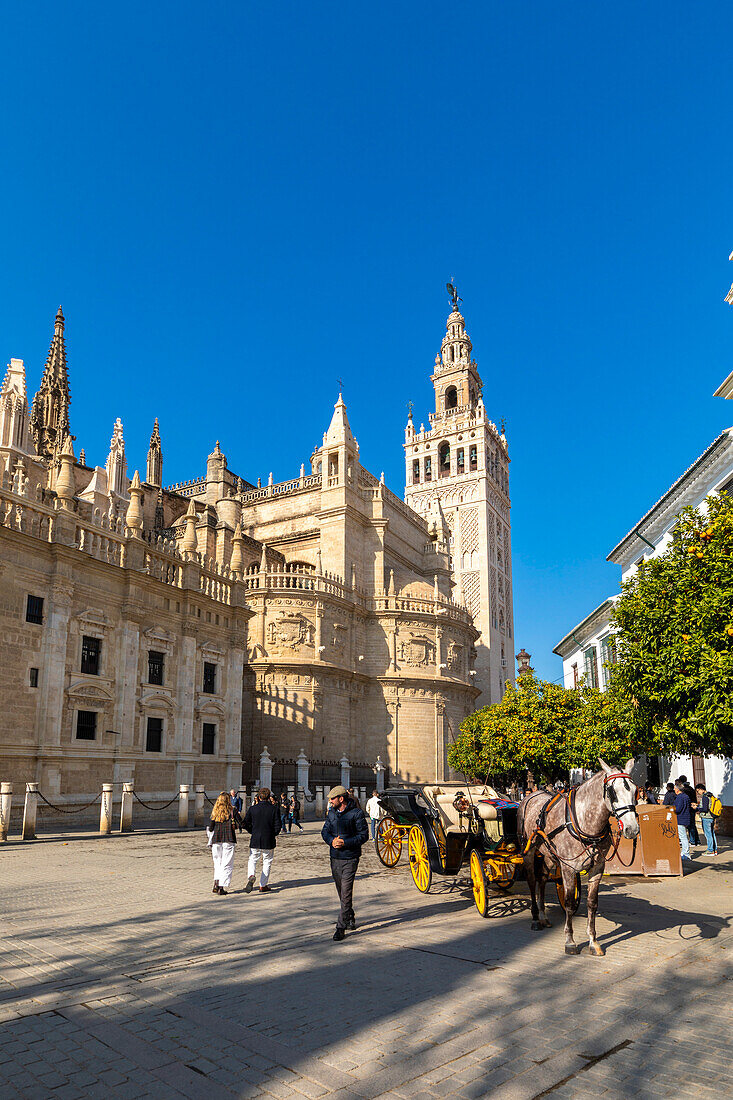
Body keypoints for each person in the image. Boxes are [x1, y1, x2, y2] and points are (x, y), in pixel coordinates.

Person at [322, 785, 369, 941]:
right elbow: (325, 831)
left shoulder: (356, 814)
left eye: (332, 799)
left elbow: (363, 835)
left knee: (346, 892)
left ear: (340, 799)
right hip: (334, 857)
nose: (329, 801)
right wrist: (331, 841)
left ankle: (340, 927)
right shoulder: (332, 814)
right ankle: (350, 916)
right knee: (341, 891)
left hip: (350, 857)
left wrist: (345, 842)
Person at [243, 786, 282, 893]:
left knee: (252, 859)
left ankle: (251, 875)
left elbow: (245, 823)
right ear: (269, 797)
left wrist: (252, 831)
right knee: (267, 861)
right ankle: (263, 885)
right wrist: (273, 834)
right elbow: (278, 825)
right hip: (268, 839)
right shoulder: (274, 809)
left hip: (255, 837)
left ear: (259, 797)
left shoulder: (252, 809)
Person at [206, 791, 237, 895]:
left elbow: (211, 828)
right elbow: (241, 823)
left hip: (216, 839)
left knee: (217, 863)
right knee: (227, 863)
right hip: (228, 838)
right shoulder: (232, 810)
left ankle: (216, 883)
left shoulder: (215, 812)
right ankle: (221, 887)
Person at [695, 783, 718, 854]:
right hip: (711, 817)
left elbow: (705, 809)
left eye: (698, 791)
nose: (698, 793)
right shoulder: (710, 795)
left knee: (708, 834)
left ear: (701, 789)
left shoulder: (705, 797)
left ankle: (710, 850)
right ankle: (714, 849)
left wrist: (697, 808)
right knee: (712, 833)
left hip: (706, 818)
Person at [676, 776, 700, 846]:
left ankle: (692, 841)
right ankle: (697, 840)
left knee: (690, 825)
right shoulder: (691, 788)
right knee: (693, 825)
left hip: (688, 809)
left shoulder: (684, 790)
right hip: (693, 808)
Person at [672, 780, 692, 861]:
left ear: (677, 789)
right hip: (686, 818)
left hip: (680, 819)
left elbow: (678, 809)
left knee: (683, 837)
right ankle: (684, 853)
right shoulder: (686, 796)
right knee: (684, 837)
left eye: (674, 789)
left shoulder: (679, 797)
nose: (674, 790)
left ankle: (685, 854)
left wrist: (672, 809)